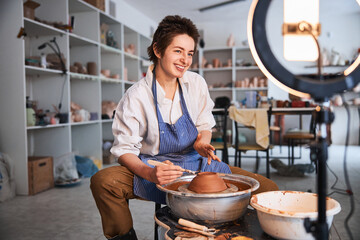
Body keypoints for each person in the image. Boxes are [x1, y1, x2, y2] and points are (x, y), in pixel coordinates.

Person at [90, 15, 278, 240]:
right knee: (103, 182)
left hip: (196, 165)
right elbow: (124, 150)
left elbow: (204, 124)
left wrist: (202, 141)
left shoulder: (195, 83)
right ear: (158, 50)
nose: (185, 60)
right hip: (155, 167)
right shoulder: (137, 95)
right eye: (178, 51)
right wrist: (150, 172)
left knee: (268, 188)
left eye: (190, 53)